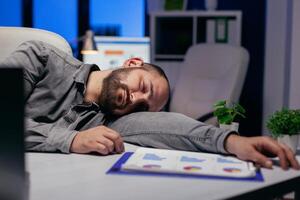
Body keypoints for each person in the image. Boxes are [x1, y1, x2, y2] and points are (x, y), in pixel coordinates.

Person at [1, 40, 299, 170]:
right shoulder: (42, 57)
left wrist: (232, 142)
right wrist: (73, 139)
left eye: (143, 106)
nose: (137, 100)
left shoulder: (109, 121)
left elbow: (168, 125)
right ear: (131, 64)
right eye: (143, 87)